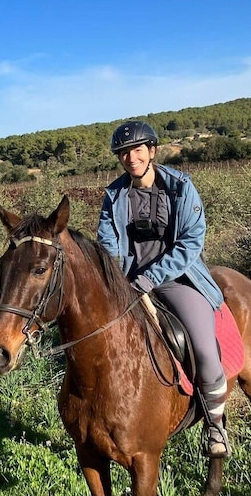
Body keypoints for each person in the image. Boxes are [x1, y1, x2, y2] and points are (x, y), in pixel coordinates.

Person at [96, 121, 230, 458]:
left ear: (152, 151)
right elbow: (107, 244)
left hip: (176, 279)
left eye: (138, 150)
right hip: (128, 282)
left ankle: (216, 425)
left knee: (202, 345)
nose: (130, 157)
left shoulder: (181, 187)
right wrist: (117, 281)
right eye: (124, 152)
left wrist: (149, 279)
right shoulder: (114, 195)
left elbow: (189, 243)